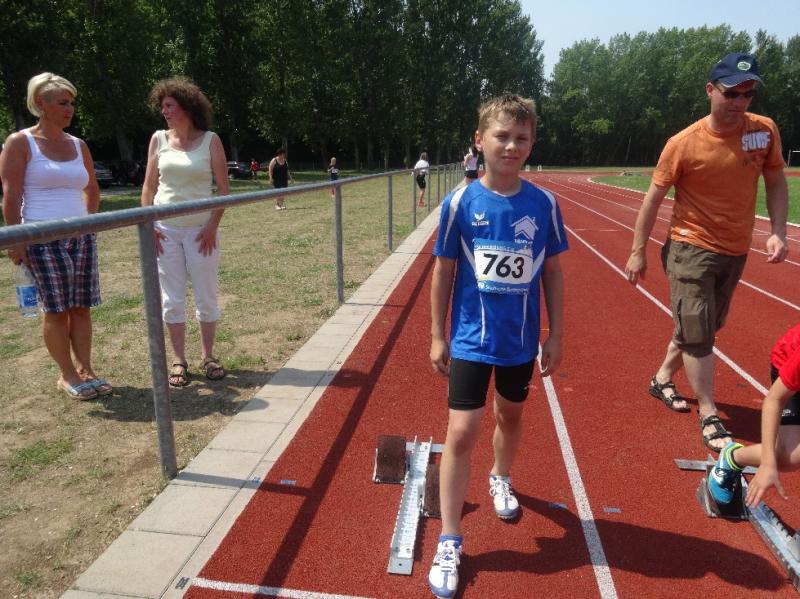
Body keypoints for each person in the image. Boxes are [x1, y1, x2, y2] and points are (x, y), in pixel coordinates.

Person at [427, 94, 568, 599]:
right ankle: (450, 538)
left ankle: (500, 475)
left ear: (532, 143)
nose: (511, 146)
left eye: (521, 138)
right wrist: (438, 334)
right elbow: (443, 271)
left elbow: (553, 271)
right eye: (501, 136)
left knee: (510, 416)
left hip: (518, 342)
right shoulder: (460, 203)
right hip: (470, 338)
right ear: (479, 140)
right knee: (462, 431)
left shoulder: (544, 204)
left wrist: (556, 333)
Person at [624, 52, 789, 452]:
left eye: (747, 94)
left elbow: (775, 179)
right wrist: (637, 251)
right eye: (731, 93)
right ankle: (710, 413)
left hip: (735, 250)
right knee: (698, 334)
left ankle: (662, 377)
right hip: (690, 248)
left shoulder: (763, 131)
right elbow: (652, 199)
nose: (739, 102)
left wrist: (778, 231)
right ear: (710, 90)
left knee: (704, 327)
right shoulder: (683, 144)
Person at [0, 72, 111, 400]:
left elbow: (92, 188)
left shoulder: (78, 145)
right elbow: (11, 195)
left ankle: (86, 369)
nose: (70, 109)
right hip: (41, 236)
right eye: (63, 103)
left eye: (72, 103)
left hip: (81, 237)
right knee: (57, 310)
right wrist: (16, 240)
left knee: (82, 307)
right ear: (41, 104)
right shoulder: (20, 142)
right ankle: (67, 374)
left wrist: (89, 224)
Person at [140, 77, 229, 387]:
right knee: (172, 299)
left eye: (169, 105)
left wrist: (212, 226)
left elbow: (224, 189)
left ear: (187, 107)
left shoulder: (210, 141)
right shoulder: (158, 140)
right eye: (162, 106)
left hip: (201, 232)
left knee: (207, 296)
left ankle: (208, 356)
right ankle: (179, 360)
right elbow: (148, 187)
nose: (163, 111)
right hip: (165, 231)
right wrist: (149, 225)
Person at [708, 324, 800, 508]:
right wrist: (767, 463)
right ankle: (732, 457)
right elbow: (774, 399)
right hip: (787, 365)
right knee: (789, 457)